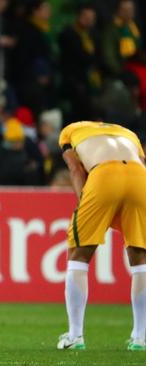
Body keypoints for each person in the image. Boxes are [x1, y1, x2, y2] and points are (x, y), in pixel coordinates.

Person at [56, 121, 146, 351]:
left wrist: (84, 204)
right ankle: (140, 337)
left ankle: (75, 336)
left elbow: (76, 169)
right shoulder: (129, 133)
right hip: (139, 176)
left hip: (104, 172)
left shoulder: (70, 132)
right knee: (141, 258)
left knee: (78, 255)